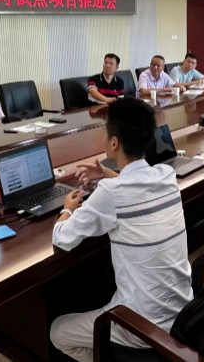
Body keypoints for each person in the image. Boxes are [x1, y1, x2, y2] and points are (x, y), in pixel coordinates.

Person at [50, 98, 193, 361]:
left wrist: (67, 209)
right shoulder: (166, 176)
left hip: (139, 325)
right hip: (183, 312)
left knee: (58, 331)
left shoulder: (111, 193)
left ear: (114, 143)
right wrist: (107, 173)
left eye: (104, 132)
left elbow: (62, 238)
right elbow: (135, 187)